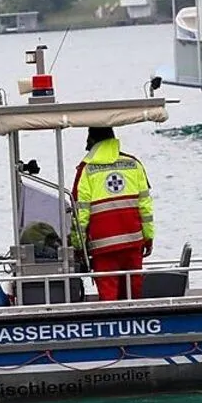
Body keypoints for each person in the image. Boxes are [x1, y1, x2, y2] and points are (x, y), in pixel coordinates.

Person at [69, 127, 155, 302]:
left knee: (109, 299)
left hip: (103, 248)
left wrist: (78, 245)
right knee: (134, 296)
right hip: (133, 242)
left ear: (93, 141)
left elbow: (80, 214)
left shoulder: (86, 170)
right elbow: (145, 207)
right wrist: (148, 237)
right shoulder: (134, 164)